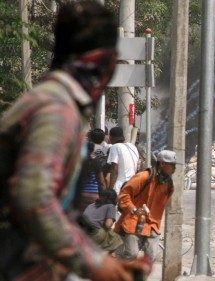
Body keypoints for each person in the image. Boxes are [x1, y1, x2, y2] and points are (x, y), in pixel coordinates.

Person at [0, 1, 149, 280]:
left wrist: (111, 266)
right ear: (101, 64)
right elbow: (34, 199)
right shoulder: (55, 111)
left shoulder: (52, 102)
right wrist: (96, 264)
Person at [114, 150, 177, 262]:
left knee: (150, 258)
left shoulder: (169, 185)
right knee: (131, 254)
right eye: (171, 165)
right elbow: (124, 195)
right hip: (134, 222)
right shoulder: (143, 177)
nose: (174, 168)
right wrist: (133, 209)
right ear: (162, 164)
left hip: (152, 225)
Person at [107, 126, 140, 195]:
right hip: (133, 184)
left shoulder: (115, 147)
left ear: (110, 137)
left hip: (120, 186)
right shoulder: (132, 146)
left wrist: (110, 189)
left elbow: (114, 169)